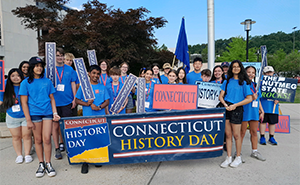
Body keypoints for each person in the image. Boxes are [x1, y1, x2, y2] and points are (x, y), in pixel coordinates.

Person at [19, 56, 60, 177]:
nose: (39, 68)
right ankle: (41, 164)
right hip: (34, 114)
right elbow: (24, 103)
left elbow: (52, 99)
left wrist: (55, 112)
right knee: (37, 140)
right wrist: (28, 120)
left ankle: (48, 163)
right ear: (32, 68)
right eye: (37, 66)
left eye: (41, 66)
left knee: (47, 139)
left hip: (47, 112)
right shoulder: (25, 83)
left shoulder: (47, 81)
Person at [75, 65, 110, 174]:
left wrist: (99, 107)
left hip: (99, 117)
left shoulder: (102, 87)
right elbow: (76, 100)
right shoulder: (84, 87)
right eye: (94, 73)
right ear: (89, 73)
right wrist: (86, 103)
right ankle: (85, 162)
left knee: (98, 138)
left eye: (98, 74)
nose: (96, 75)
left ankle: (96, 159)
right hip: (87, 117)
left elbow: (107, 101)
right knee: (87, 139)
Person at [219, 60, 253, 168]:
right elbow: (221, 96)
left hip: (237, 109)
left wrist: (236, 105)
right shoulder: (227, 81)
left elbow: (249, 98)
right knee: (228, 135)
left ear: (241, 68)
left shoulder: (244, 82)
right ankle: (229, 157)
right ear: (231, 69)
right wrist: (224, 104)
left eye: (238, 67)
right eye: (234, 67)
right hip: (227, 107)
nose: (236, 69)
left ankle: (238, 157)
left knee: (237, 135)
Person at [0, 68, 33, 164]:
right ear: (9, 77)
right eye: (13, 76)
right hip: (12, 116)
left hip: (25, 116)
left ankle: (27, 154)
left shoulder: (26, 84)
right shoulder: (6, 86)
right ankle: (19, 155)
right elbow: (1, 100)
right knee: (16, 137)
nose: (16, 78)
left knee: (27, 136)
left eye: (18, 75)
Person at [52, 48, 78, 159]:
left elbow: (73, 84)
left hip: (67, 101)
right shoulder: (49, 70)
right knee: (55, 125)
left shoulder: (69, 69)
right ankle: (57, 148)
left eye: (61, 55)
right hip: (53, 102)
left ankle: (68, 146)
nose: (60, 57)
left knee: (67, 125)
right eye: (57, 55)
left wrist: (74, 99)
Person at [241, 66, 266, 161]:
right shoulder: (242, 84)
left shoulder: (256, 85)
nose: (251, 74)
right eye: (249, 72)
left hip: (254, 111)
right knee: (242, 133)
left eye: (253, 72)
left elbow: (258, 99)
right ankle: (238, 152)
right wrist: (251, 97)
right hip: (245, 111)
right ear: (245, 73)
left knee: (254, 132)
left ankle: (254, 151)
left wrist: (262, 111)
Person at [259, 66, 279, 145]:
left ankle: (271, 137)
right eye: (267, 73)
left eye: (270, 72)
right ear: (264, 74)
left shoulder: (277, 82)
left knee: (272, 123)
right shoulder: (261, 82)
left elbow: (282, 93)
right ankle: (262, 136)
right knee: (262, 122)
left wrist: (278, 99)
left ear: (273, 73)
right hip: (263, 106)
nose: (268, 74)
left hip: (273, 106)